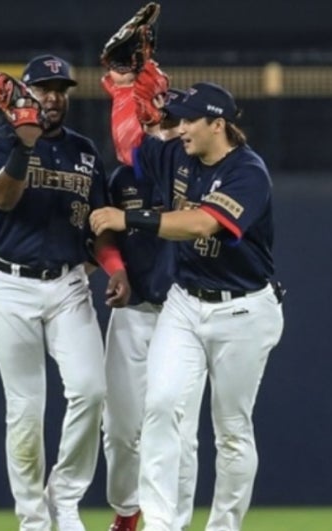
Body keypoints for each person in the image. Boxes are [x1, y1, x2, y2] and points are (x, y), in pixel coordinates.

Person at [90, 65, 285, 531]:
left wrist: (129, 218)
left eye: (188, 121)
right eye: (176, 120)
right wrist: (123, 88)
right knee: (160, 406)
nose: (178, 129)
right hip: (185, 302)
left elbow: (201, 224)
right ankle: (159, 523)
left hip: (243, 309)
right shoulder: (179, 154)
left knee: (232, 432)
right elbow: (130, 144)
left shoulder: (247, 173)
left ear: (217, 124)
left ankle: (223, 526)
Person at [0, 54, 130, 531]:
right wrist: (23, 143)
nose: (54, 96)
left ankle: (64, 499)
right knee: (25, 407)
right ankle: (33, 521)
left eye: (61, 88)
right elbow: (2, 199)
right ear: (23, 93)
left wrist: (116, 267)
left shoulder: (84, 151)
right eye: (44, 88)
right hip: (8, 285)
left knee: (90, 388)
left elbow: (98, 223)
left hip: (67, 282)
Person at [99, 84, 207, 531]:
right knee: (122, 430)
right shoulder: (125, 177)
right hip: (134, 311)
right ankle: (128, 511)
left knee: (178, 429)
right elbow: (102, 228)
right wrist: (115, 270)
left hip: (182, 314)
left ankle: (171, 524)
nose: (170, 128)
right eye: (163, 120)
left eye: (176, 121)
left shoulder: (198, 174)